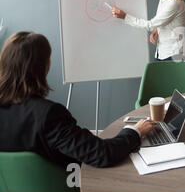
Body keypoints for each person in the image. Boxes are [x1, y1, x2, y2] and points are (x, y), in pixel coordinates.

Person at [0, 32, 156, 168]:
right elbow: (102, 154)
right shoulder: (48, 115)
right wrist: (135, 131)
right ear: (44, 67)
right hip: (64, 187)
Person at [111, 0, 185, 61]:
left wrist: (125, 17)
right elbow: (164, 21)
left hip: (172, 54)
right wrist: (157, 31)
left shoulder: (175, 3)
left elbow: (150, 25)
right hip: (162, 52)